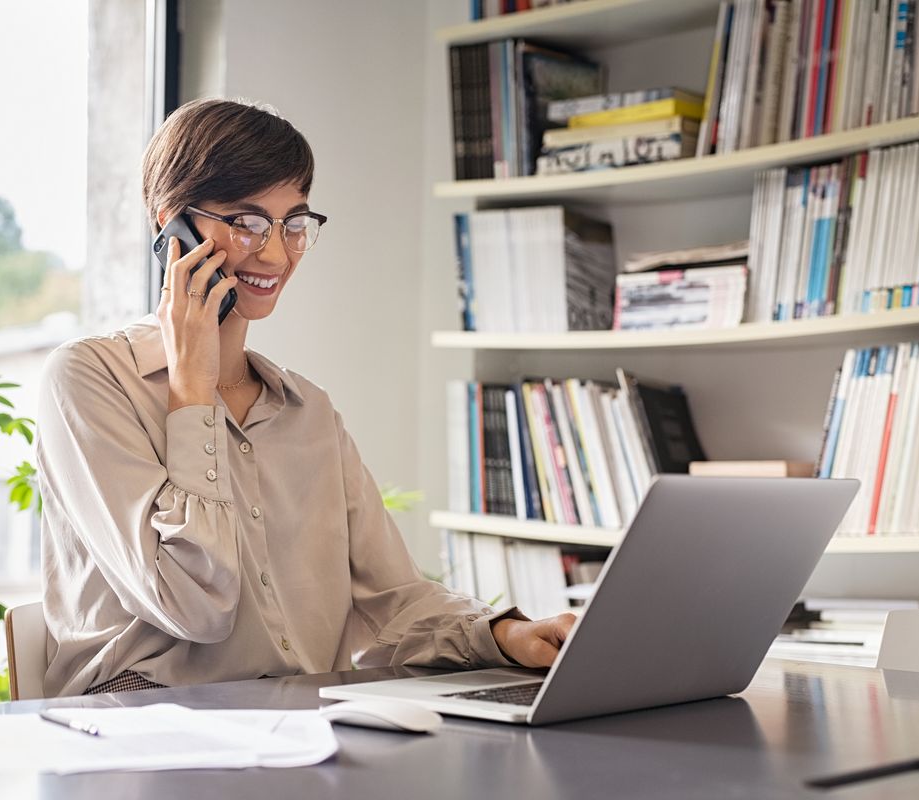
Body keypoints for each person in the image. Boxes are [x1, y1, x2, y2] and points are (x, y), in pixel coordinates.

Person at [37, 97, 575, 697]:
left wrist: (501, 636)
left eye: (293, 222)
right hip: (137, 740)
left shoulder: (308, 410)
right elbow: (195, 605)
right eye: (246, 221)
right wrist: (193, 389)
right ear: (172, 225)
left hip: (299, 733)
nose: (275, 253)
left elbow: (393, 600)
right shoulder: (87, 380)